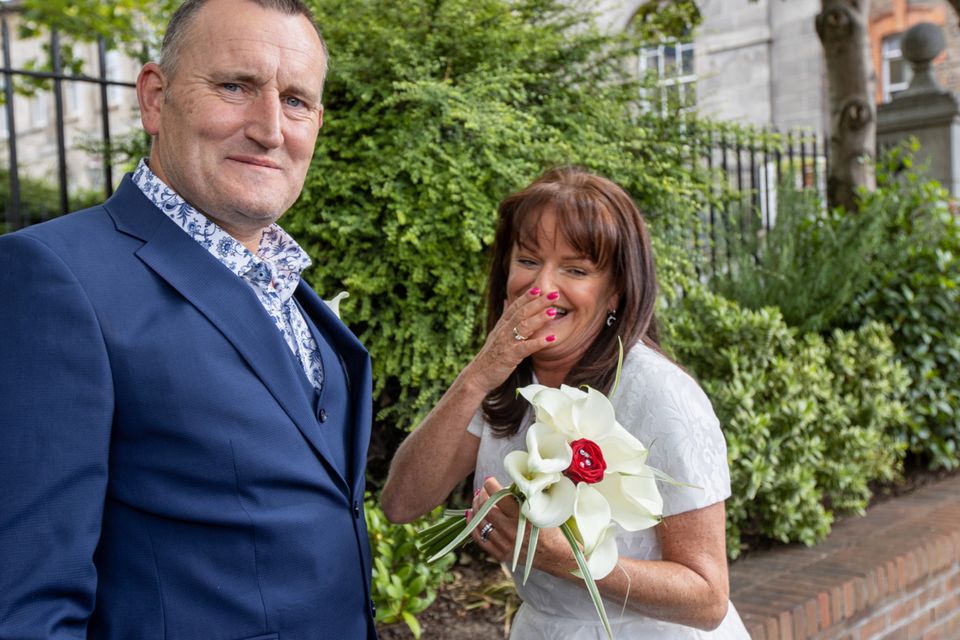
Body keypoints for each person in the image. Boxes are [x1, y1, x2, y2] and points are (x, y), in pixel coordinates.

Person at [0, 1, 376, 638]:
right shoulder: (54, 279)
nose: (270, 129)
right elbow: (27, 603)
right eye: (235, 86)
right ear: (154, 97)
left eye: (296, 101)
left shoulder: (285, 282)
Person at [381, 167, 750, 638]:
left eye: (575, 270)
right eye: (529, 260)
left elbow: (707, 598)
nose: (542, 287)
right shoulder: (503, 379)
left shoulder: (660, 394)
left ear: (615, 289)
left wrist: (572, 562)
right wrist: (477, 375)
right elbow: (401, 504)